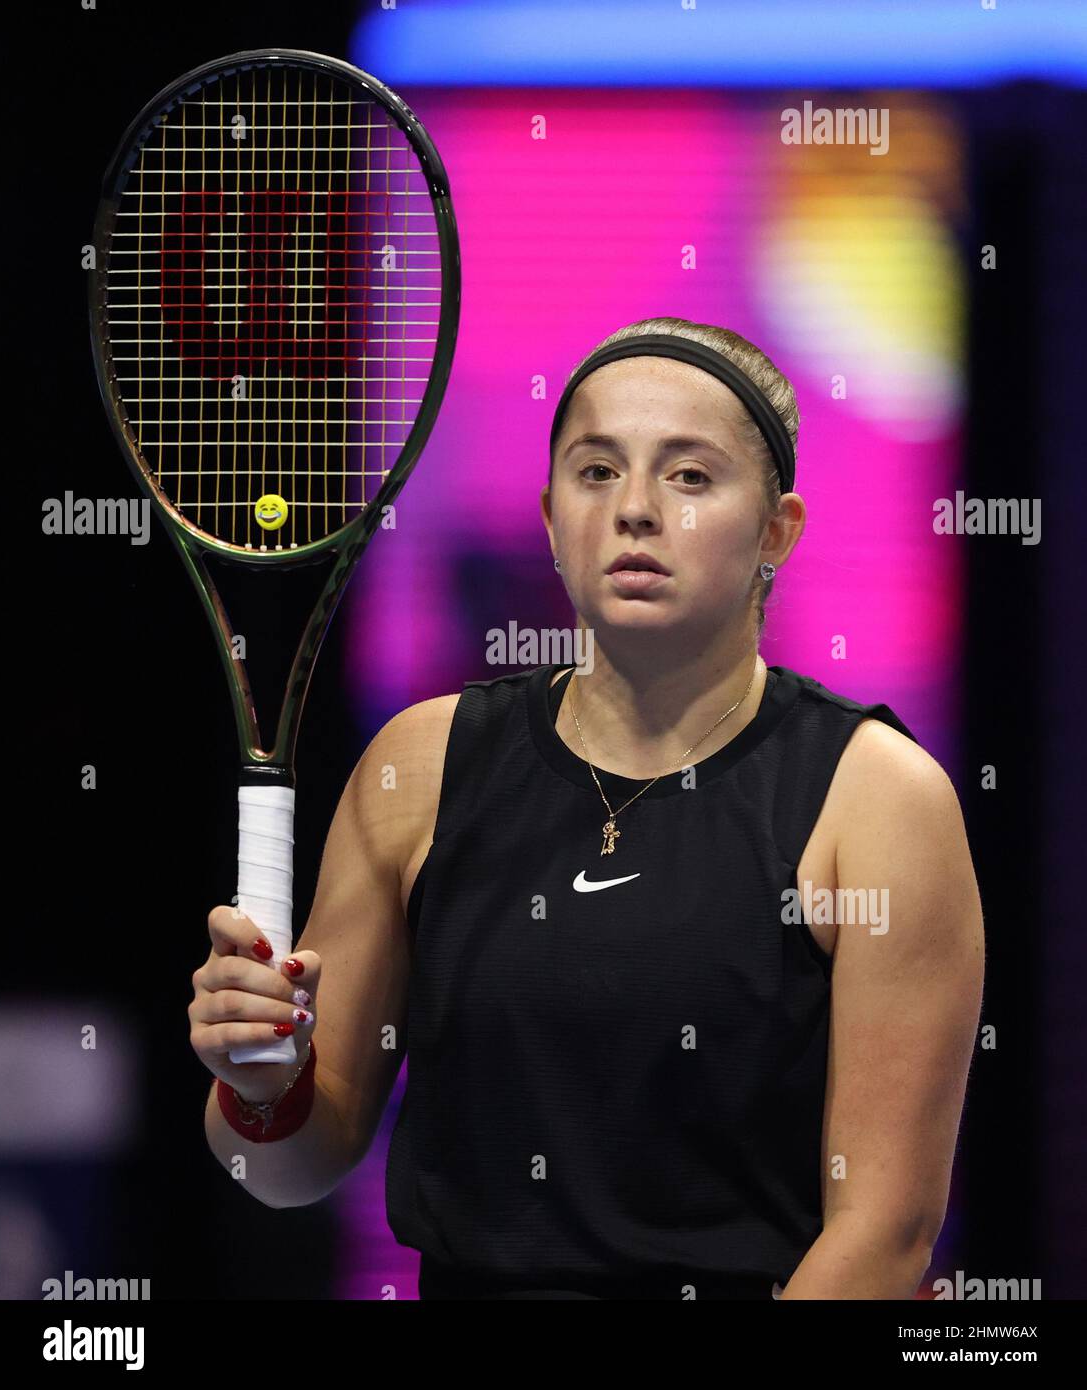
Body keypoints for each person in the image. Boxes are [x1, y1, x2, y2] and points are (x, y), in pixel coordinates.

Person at [189, 316, 984, 1300]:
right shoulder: (420, 768)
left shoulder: (875, 797)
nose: (635, 509)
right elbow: (283, 1169)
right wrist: (263, 1090)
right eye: (595, 471)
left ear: (777, 528)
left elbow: (884, 1237)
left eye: (689, 475)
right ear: (549, 515)